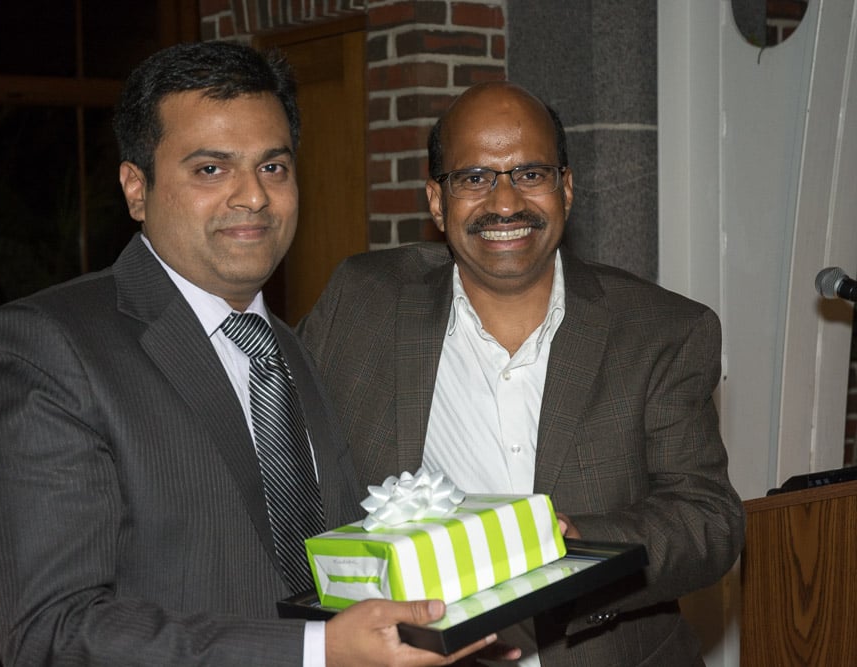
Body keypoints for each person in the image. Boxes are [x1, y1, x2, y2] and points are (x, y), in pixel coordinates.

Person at [0, 41, 509, 666]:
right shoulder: (42, 349)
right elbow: (48, 634)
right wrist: (316, 652)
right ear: (136, 189)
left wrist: (487, 577)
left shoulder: (289, 348)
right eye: (211, 169)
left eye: (273, 167)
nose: (254, 196)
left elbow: (335, 561)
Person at [299, 81, 745, 666]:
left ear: (566, 189)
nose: (505, 203)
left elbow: (708, 520)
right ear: (437, 201)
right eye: (474, 178)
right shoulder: (363, 303)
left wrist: (574, 546)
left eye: (530, 174)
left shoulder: (661, 331)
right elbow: (275, 445)